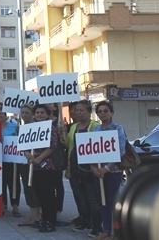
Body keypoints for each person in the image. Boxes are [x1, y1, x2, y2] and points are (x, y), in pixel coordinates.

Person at [59, 100, 101, 237]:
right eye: (76, 110)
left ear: (89, 112)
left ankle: (96, 226)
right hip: (75, 169)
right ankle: (85, 221)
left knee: (92, 198)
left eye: (81, 110)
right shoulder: (73, 127)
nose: (78, 112)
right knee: (80, 198)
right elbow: (67, 144)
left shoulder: (95, 126)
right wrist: (62, 133)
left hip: (89, 170)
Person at [91, 101, 127, 240]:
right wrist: (94, 168)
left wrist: (107, 168)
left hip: (113, 171)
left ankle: (117, 230)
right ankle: (106, 229)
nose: (102, 114)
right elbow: (89, 152)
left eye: (106, 111)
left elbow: (121, 151)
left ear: (111, 113)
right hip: (98, 172)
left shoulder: (118, 128)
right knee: (102, 201)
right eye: (100, 111)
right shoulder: (95, 130)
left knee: (113, 201)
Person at [24, 104, 61, 233]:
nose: (39, 114)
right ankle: (44, 219)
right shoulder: (29, 128)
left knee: (48, 195)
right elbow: (24, 144)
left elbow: (52, 146)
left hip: (47, 167)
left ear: (47, 114)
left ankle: (51, 221)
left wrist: (39, 159)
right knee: (39, 194)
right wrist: (28, 154)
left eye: (42, 112)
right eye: (37, 112)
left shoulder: (51, 128)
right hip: (34, 168)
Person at [16, 105, 41, 227]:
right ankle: (32, 213)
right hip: (23, 163)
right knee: (27, 188)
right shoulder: (20, 128)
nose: (24, 115)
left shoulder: (39, 127)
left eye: (27, 113)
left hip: (36, 163)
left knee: (35, 188)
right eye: (22, 113)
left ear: (32, 114)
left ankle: (38, 215)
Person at [0, 109, 21, 217]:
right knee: (1, 183)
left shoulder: (13, 127)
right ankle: (2, 204)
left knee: (13, 182)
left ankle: (15, 206)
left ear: (5, 115)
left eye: (1, 114)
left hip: (11, 158)